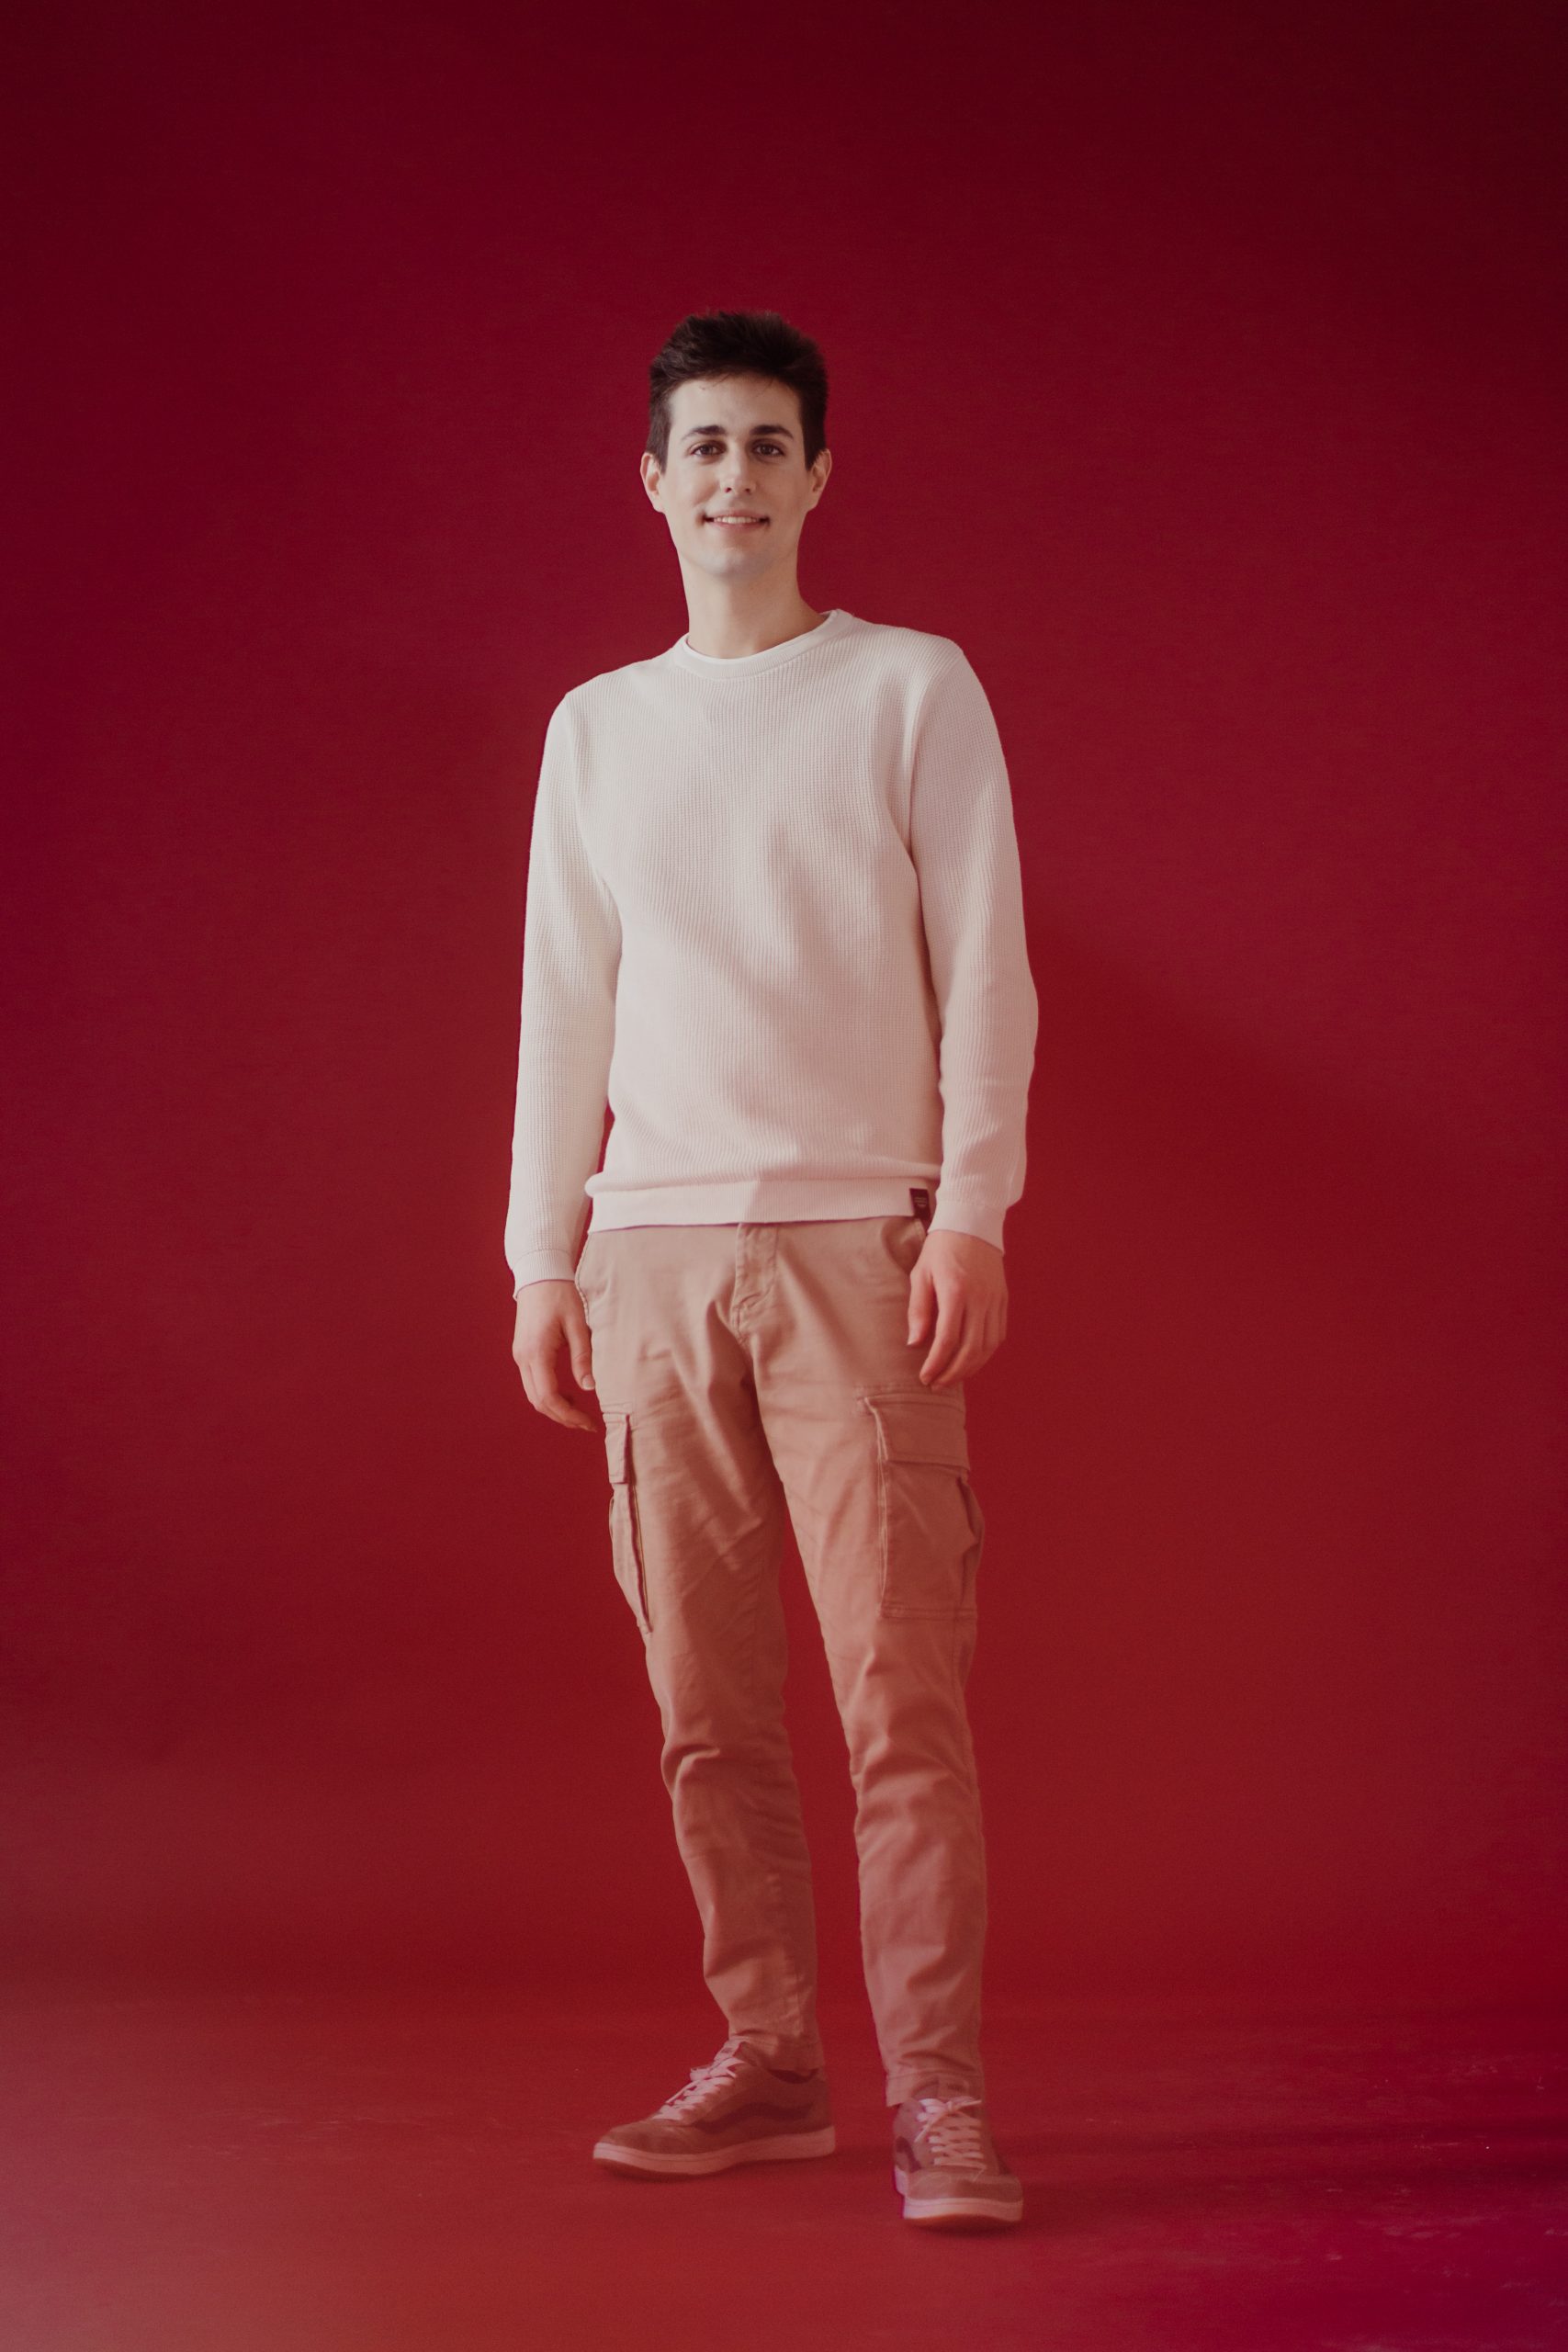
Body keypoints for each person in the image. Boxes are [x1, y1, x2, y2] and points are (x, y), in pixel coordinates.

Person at [506, 309, 1038, 2230]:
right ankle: (772, 2061)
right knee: (706, 1707)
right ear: (653, 481)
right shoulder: (596, 727)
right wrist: (540, 1254)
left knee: (900, 1700)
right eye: (704, 446)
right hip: (646, 1255)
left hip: (857, 1245)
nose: (733, 476)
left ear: (817, 476)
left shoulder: (909, 687)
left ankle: (939, 2095)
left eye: (766, 445)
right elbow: (564, 1002)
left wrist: (970, 1209)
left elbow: (983, 962)